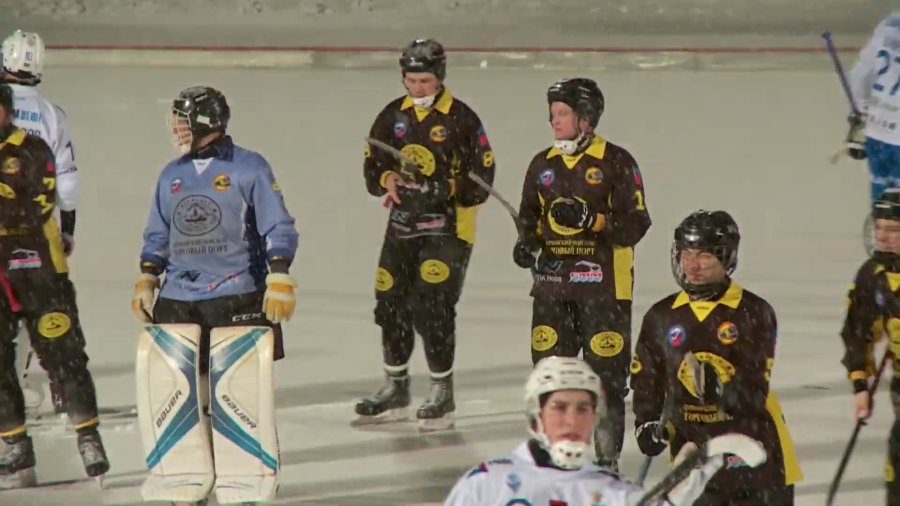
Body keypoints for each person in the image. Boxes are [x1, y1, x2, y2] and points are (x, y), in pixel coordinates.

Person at [357, 38, 496, 430]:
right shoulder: (392, 115)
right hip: (402, 227)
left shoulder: (462, 119)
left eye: (425, 81)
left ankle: (441, 390)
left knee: (432, 308)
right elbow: (373, 165)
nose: (417, 89)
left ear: (440, 77)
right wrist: (386, 179)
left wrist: (448, 187)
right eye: (411, 81)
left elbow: (483, 176)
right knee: (390, 303)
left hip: (448, 229)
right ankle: (396, 385)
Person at [513, 77, 651, 468]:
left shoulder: (616, 161)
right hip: (553, 290)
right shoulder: (542, 164)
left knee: (607, 381)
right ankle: (554, 462)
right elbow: (529, 219)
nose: (554, 121)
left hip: (604, 291)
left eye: (563, 113)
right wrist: (526, 244)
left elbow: (636, 224)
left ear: (586, 118)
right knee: (551, 380)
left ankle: (607, 465)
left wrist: (593, 220)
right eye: (552, 114)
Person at [630, 210, 803, 505]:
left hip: (756, 453)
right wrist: (647, 422)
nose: (692, 265)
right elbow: (648, 379)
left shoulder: (753, 311)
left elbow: (754, 387)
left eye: (704, 255)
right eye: (686, 253)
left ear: (726, 257)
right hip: (693, 459)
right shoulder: (661, 316)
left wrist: (721, 389)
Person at [0, 83, 108, 488]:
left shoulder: (32, 149)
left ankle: (88, 436)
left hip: (39, 268)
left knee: (64, 353)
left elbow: (35, 206)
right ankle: (16, 446)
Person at [443, 356, 728, 506]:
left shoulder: (613, 492)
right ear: (536, 414)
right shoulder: (486, 483)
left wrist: (672, 502)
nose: (572, 420)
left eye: (582, 409)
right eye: (559, 407)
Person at [2, 29, 79, 415]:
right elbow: (67, 182)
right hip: (38, 228)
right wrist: (67, 229)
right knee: (44, 308)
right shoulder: (52, 115)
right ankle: (60, 384)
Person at [839, 188, 900, 503]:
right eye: (879, 227)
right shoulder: (872, 276)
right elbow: (857, 332)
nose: (883, 237)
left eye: (893, 229)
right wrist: (860, 384)